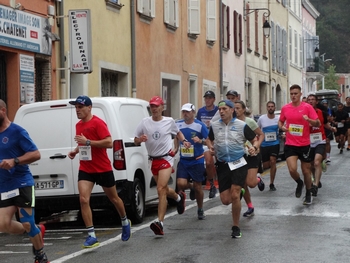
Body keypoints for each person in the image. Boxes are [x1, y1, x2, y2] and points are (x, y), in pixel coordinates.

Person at [68, 95, 131, 248]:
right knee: (83, 199)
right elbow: (83, 143)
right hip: (86, 168)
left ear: (89, 108)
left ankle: (124, 221)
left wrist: (88, 142)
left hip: (102, 168)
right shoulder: (78, 125)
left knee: (114, 198)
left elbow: (109, 143)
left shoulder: (98, 123)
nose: (77, 110)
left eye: (80, 107)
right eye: (76, 107)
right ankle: (91, 235)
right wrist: (76, 151)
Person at [0, 99, 49, 263]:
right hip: (4, 186)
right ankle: (36, 230)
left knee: (27, 222)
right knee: (3, 224)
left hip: (22, 182)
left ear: (3, 111)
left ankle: (40, 256)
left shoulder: (17, 131)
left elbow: (36, 154)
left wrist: (15, 161)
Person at [134, 96, 191, 235]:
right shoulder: (144, 122)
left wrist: (184, 141)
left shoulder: (169, 121)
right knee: (164, 189)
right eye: (152, 106)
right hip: (153, 160)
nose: (154, 109)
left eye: (156, 106)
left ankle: (160, 223)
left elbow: (177, 132)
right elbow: (135, 140)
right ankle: (179, 198)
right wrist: (140, 140)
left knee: (160, 188)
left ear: (162, 108)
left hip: (166, 158)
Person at [206, 100, 259, 238]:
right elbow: (208, 139)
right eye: (220, 109)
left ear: (231, 110)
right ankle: (241, 191)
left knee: (235, 195)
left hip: (239, 162)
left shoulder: (242, 125)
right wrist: (211, 147)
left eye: (224, 109)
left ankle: (235, 226)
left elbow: (255, 139)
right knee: (225, 200)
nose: (221, 111)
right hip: (223, 164)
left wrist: (254, 147)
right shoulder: (214, 125)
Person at [278, 85, 320, 205]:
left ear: (300, 94)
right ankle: (299, 182)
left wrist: (309, 120)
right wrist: (282, 127)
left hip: (304, 144)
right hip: (290, 143)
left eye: (296, 93)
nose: (293, 96)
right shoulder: (285, 108)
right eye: (291, 94)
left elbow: (317, 122)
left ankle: (308, 192)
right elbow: (281, 121)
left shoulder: (307, 107)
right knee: (292, 169)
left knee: (306, 171)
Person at [175, 103, 208, 220]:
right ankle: (191, 187)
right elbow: (176, 136)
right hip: (184, 160)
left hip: (197, 160)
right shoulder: (177, 124)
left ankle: (200, 209)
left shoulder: (200, 125)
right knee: (180, 184)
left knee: (199, 187)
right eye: (183, 111)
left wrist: (200, 141)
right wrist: (175, 148)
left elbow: (208, 141)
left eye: (188, 112)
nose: (185, 114)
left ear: (193, 112)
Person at [234, 100, 265, 218]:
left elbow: (261, 135)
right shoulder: (232, 123)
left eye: (238, 108)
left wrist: (256, 146)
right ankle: (250, 206)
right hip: (239, 155)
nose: (236, 110)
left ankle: (257, 179)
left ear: (243, 110)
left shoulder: (250, 122)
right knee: (242, 183)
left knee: (250, 183)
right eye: (234, 108)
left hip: (251, 154)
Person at [307, 94, 335, 196]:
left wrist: (332, 128)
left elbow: (325, 124)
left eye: (312, 99)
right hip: (308, 141)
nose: (310, 101)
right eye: (309, 100)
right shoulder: (304, 114)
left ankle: (315, 185)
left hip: (320, 140)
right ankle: (316, 179)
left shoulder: (321, 113)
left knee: (317, 162)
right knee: (310, 165)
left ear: (316, 102)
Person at [196, 90, 218, 198]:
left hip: (217, 140)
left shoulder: (218, 111)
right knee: (208, 162)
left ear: (213, 99)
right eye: (206, 98)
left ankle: (220, 182)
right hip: (204, 141)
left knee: (218, 163)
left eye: (209, 98)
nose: (207, 100)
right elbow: (197, 125)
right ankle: (212, 184)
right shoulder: (200, 111)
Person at [257, 101, 280, 191]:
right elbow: (257, 129)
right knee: (266, 165)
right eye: (269, 106)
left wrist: (283, 134)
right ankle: (260, 177)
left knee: (273, 161)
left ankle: (271, 183)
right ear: (267, 108)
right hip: (264, 144)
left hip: (275, 143)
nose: (270, 108)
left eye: (272, 106)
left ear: (275, 108)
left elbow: (282, 127)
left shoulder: (278, 118)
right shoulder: (262, 118)